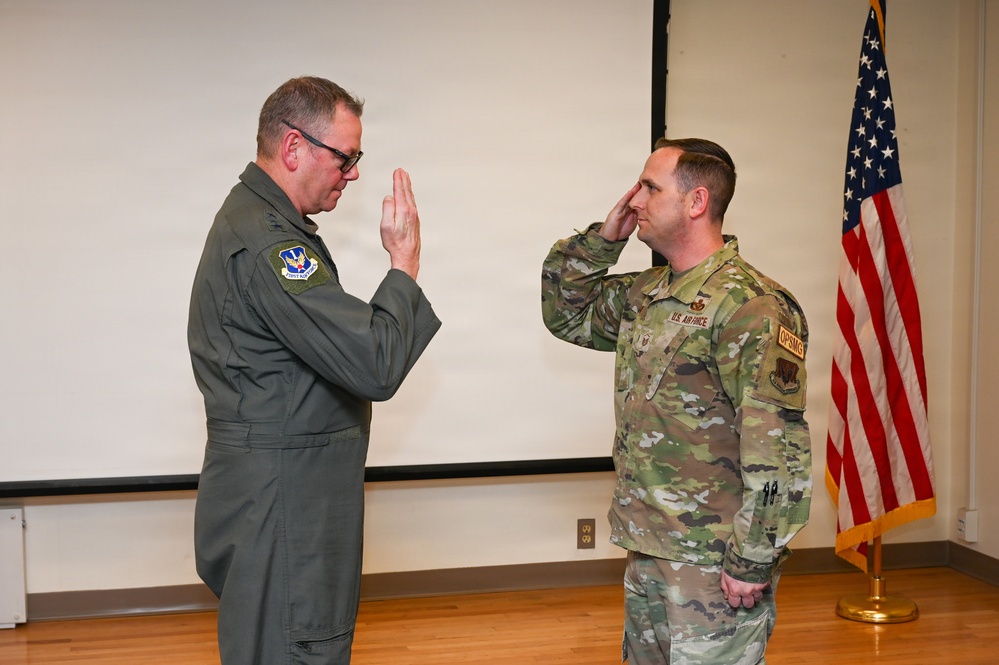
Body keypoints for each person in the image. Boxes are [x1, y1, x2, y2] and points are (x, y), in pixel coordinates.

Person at [187, 76, 441, 665]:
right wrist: (403, 264)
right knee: (295, 648)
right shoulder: (270, 245)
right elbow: (375, 363)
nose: (352, 174)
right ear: (294, 147)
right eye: (345, 157)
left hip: (284, 493)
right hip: (284, 501)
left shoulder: (260, 221)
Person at [541, 137, 811, 664]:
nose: (634, 200)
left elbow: (777, 446)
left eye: (649, 187)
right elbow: (566, 313)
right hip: (649, 544)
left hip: (714, 560)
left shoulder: (752, 305)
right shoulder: (648, 293)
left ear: (696, 201)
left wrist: (753, 559)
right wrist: (603, 240)